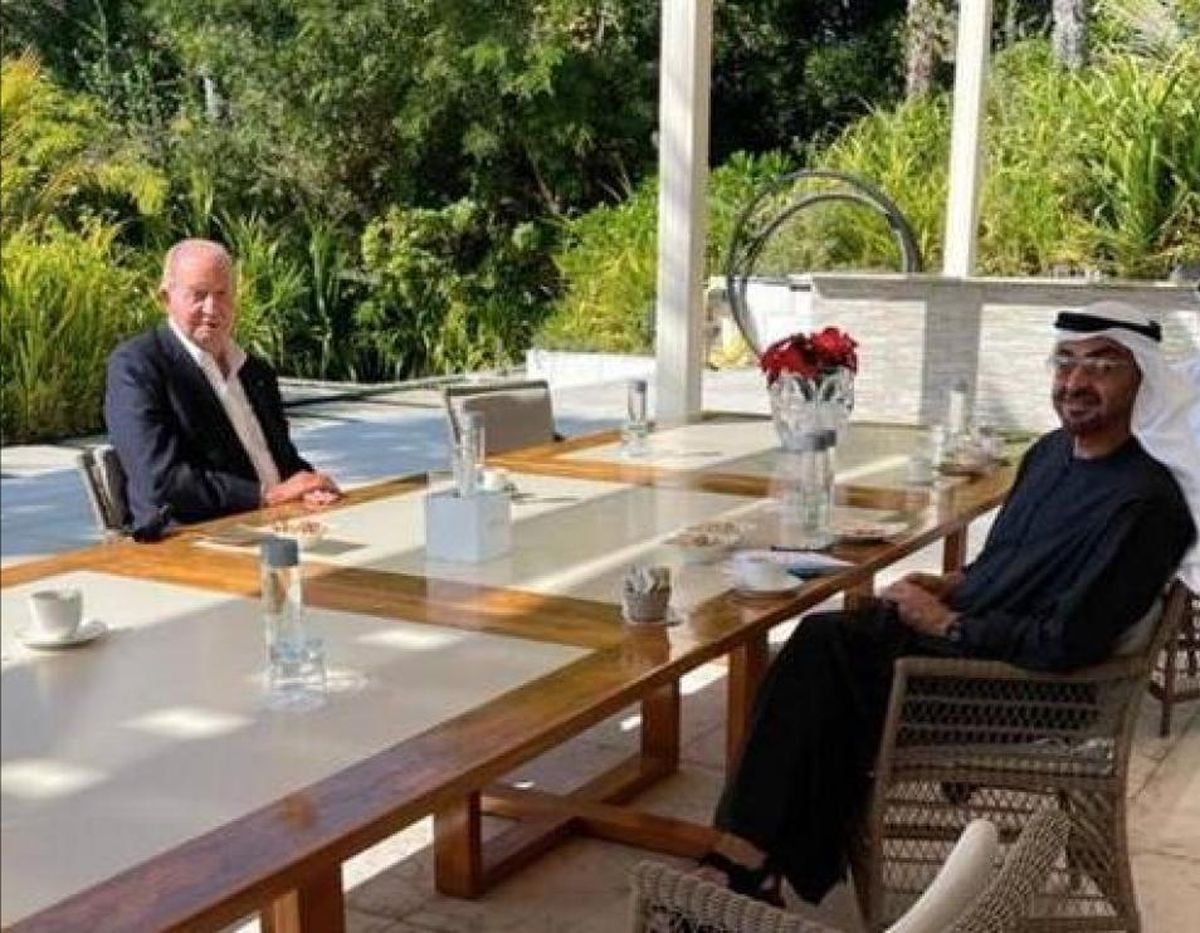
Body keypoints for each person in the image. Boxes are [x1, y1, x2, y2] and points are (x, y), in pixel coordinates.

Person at [700, 301, 1199, 907]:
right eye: (1066, 362)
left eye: (1103, 366)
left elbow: (1067, 643)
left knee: (822, 663)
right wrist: (953, 584)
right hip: (974, 643)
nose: (1075, 382)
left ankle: (746, 863)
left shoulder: (1145, 506)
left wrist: (948, 623)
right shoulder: (1049, 454)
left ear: (1143, 379)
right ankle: (760, 862)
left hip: (1027, 691)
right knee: (822, 653)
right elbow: (1007, 561)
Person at [105, 239, 340, 539]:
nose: (212, 308)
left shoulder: (255, 372)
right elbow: (162, 480)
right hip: (192, 539)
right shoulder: (139, 366)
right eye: (199, 295)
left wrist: (310, 485)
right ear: (166, 298)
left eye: (222, 294)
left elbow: (282, 460)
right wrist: (269, 495)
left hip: (280, 525)